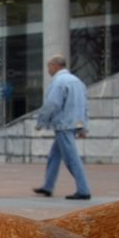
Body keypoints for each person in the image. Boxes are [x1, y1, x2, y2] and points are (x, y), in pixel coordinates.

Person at [33, 54, 92, 200]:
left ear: (55, 66)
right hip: (73, 123)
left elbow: (52, 104)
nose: (48, 70)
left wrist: (41, 121)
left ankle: (83, 190)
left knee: (71, 159)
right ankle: (48, 186)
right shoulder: (77, 81)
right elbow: (85, 106)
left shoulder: (59, 82)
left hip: (63, 125)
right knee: (54, 156)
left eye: (49, 67)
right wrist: (84, 127)